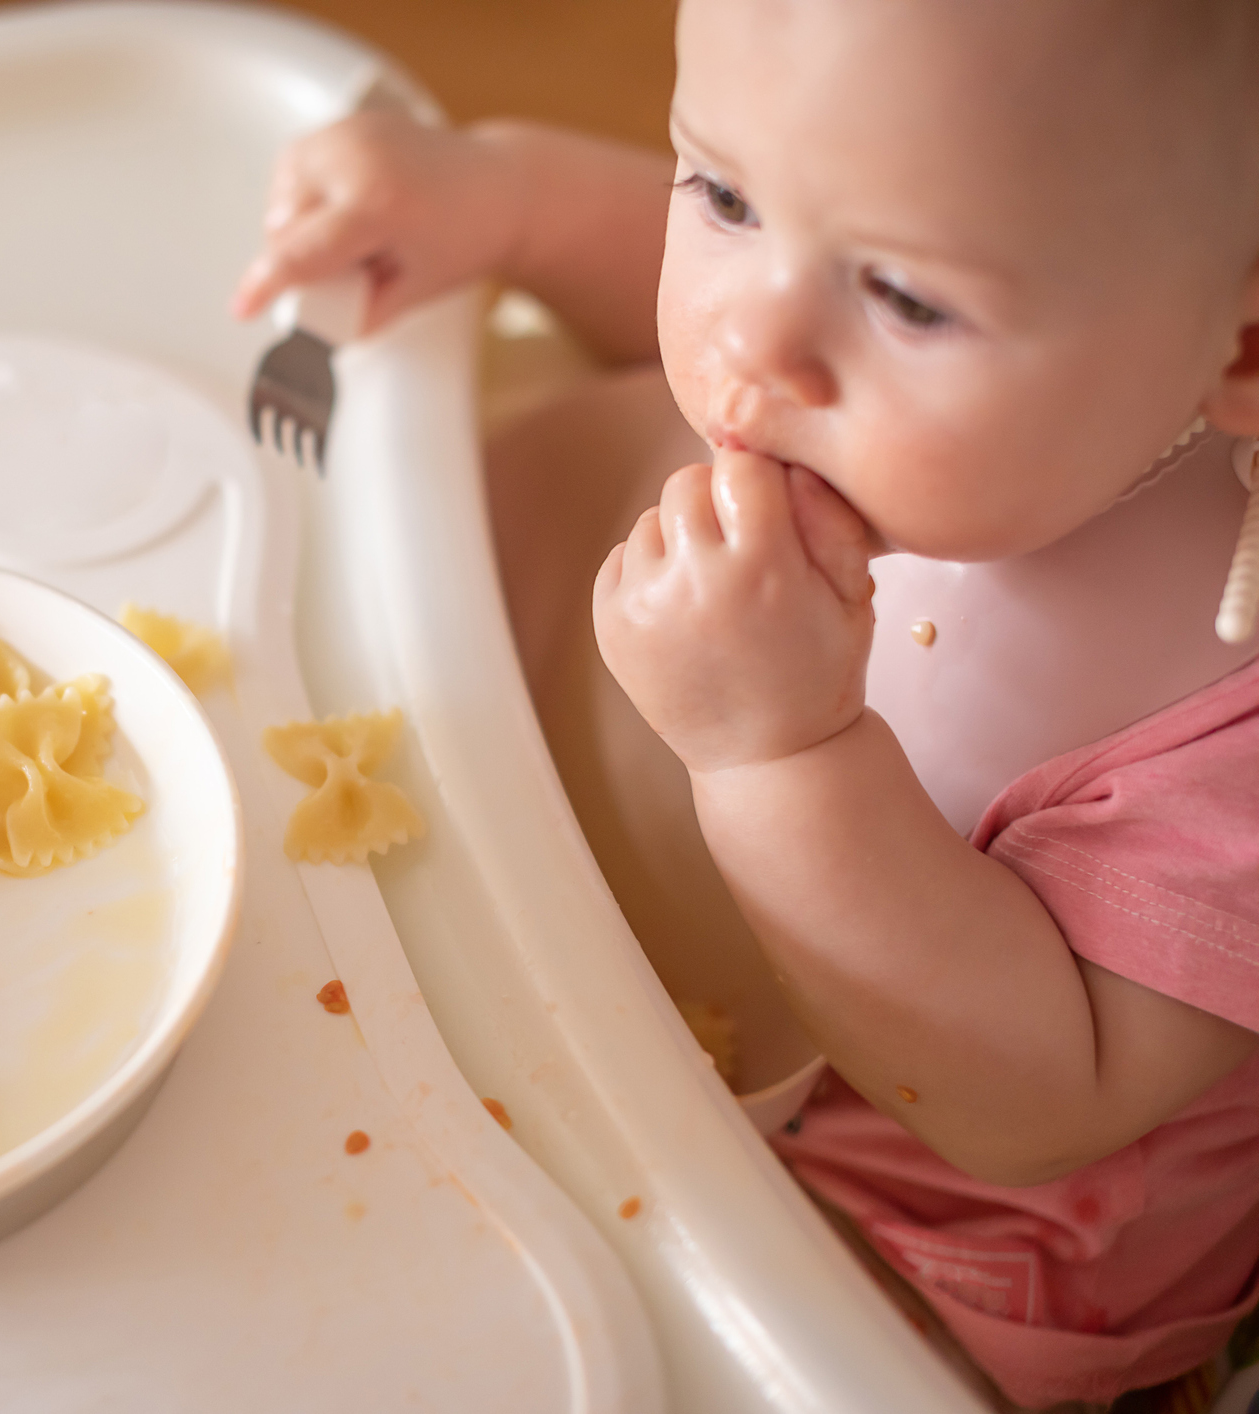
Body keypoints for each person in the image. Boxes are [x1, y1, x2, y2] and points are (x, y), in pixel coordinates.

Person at [234, 2, 1259, 1408]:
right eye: (719, 193)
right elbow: (772, 229)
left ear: (1244, 340)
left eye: (903, 296)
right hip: (544, 856)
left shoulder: (1227, 723)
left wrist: (779, 750)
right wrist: (507, 200)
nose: (749, 338)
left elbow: (1030, 1102)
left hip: (883, 1230)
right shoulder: (867, 301)